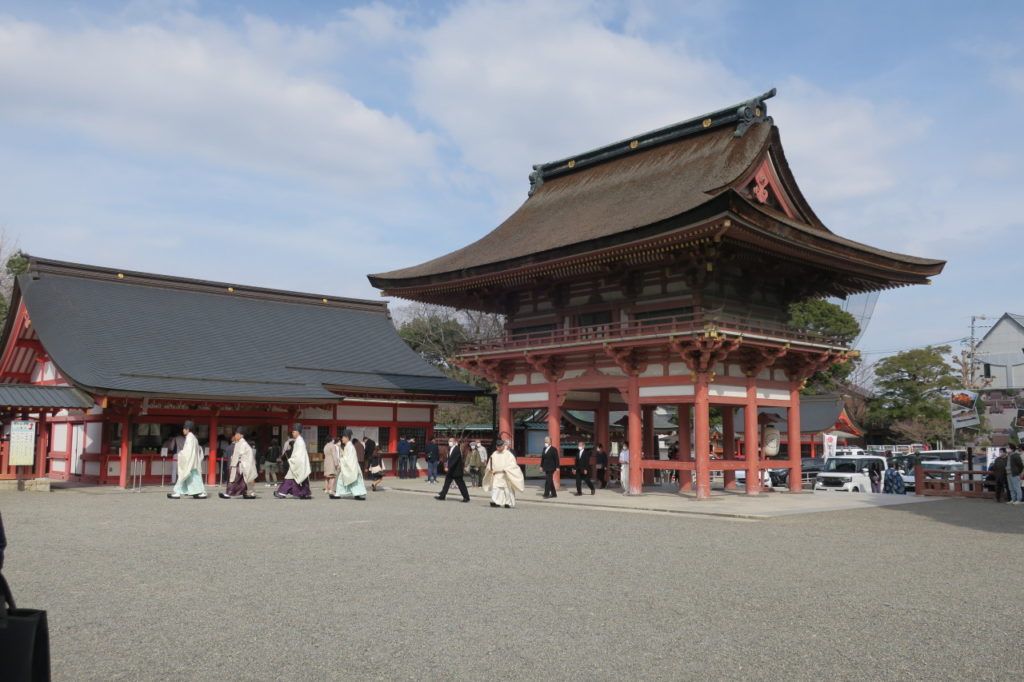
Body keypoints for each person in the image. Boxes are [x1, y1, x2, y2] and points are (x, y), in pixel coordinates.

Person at [167, 420, 208, 499]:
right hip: (193, 462)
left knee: (185, 476)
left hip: (189, 462)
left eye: (184, 429)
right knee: (189, 478)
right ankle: (179, 493)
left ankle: (201, 492)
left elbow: (188, 451)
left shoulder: (190, 438)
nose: (183, 430)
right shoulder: (193, 438)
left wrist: (180, 454)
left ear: (187, 429)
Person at [274, 424, 313, 499]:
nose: (292, 433)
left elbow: (299, 455)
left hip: (297, 463)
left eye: (293, 432)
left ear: (298, 432)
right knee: (298, 479)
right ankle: (302, 493)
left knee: (290, 479)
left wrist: (292, 460)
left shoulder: (300, 442)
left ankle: (282, 493)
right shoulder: (299, 441)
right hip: (298, 463)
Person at [484, 439, 525, 508]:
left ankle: (508, 502)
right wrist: (490, 469)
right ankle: (496, 501)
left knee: (507, 489)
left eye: (500, 447)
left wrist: (507, 469)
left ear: (503, 446)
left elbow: (513, 464)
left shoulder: (508, 454)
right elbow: (490, 462)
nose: (499, 448)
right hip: (496, 474)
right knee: (496, 488)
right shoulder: (494, 454)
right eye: (497, 447)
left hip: (505, 474)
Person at [220, 427, 257, 499]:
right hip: (240, 464)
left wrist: (236, 462)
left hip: (240, 465)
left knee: (234, 480)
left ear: (241, 435)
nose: (235, 435)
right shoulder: (240, 443)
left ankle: (229, 494)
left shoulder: (243, 443)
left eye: (237, 434)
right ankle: (248, 493)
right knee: (242, 481)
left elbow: (241, 454)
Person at [331, 430, 367, 500]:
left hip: (351, 467)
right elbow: (347, 457)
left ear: (347, 438)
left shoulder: (350, 447)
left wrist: (341, 460)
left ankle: (358, 494)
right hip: (350, 467)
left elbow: (349, 459)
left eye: (343, 437)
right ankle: (338, 494)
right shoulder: (348, 446)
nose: (342, 439)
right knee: (343, 481)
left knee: (352, 481)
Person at [435, 438, 470, 502]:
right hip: (451, 470)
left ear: (454, 442)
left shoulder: (457, 449)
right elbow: (449, 459)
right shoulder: (450, 449)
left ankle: (466, 497)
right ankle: (442, 495)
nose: (449, 442)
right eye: (449, 441)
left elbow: (454, 460)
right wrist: (447, 466)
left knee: (461, 484)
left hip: (456, 470)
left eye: (451, 441)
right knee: (447, 483)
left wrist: (449, 467)